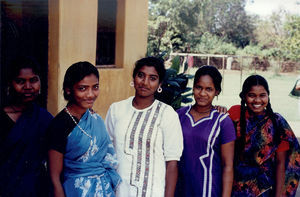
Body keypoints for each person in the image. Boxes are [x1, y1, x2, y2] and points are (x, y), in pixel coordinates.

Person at [105, 57, 183, 197]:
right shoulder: (116, 109)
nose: (145, 82)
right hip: (119, 191)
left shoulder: (167, 114)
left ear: (160, 83)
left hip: (153, 192)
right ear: (134, 77)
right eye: (141, 75)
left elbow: (172, 163)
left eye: (152, 78)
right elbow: (107, 152)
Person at [47, 61, 121, 197]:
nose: (90, 94)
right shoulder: (60, 124)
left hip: (103, 189)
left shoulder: (95, 118)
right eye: (83, 88)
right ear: (69, 89)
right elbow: (54, 178)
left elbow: (106, 157)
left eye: (95, 87)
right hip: (75, 190)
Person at [228, 75, 300, 196]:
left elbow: (280, 164)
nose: (257, 100)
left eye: (262, 95)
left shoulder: (277, 122)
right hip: (237, 188)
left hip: (265, 189)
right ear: (244, 96)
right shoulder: (235, 114)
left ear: (268, 96)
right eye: (252, 95)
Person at [176, 65, 236, 197]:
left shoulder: (223, 121)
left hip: (207, 190)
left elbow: (228, 166)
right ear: (193, 87)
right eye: (199, 87)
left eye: (209, 89)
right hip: (180, 189)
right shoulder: (179, 115)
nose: (202, 93)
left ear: (217, 91)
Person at [0, 56, 53, 197]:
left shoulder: (44, 118)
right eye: (20, 81)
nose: (28, 87)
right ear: (10, 84)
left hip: (36, 190)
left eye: (33, 80)